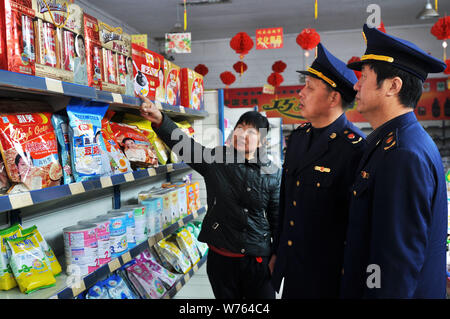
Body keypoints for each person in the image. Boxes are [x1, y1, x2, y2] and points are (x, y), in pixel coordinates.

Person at [340, 24, 448, 298]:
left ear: (393, 86)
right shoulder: (389, 142)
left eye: (363, 76)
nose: (355, 85)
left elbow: (396, 266)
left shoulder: (403, 153)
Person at [139, 96, 281, 299]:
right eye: (240, 128)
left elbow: (278, 219)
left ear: (262, 140)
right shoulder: (217, 160)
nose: (242, 134)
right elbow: (187, 147)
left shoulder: (272, 172)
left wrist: (278, 256)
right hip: (221, 260)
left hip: (257, 261)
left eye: (251, 131)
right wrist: (161, 119)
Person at [269, 43, 367, 298]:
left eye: (310, 88)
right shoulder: (299, 138)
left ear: (333, 97)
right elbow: (286, 202)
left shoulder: (354, 149)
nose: (300, 93)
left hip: (328, 276)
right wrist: (277, 253)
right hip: (292, 268)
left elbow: (358, 225)